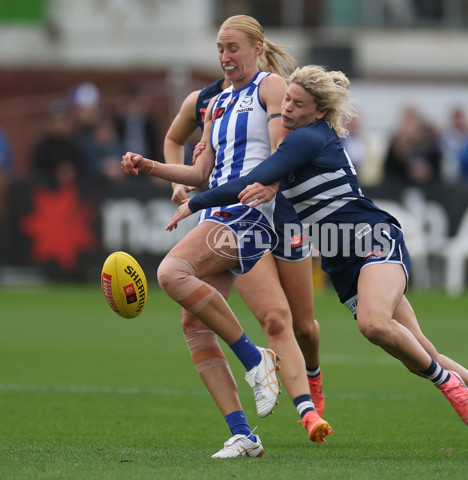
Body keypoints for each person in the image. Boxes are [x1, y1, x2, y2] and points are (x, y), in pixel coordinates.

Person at [123, 65, 468, 460]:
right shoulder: (294, 144)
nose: (288, 110)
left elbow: (254, 176)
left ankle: (446, 386)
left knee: (374, 325)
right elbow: (263, 173)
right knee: (421, 353)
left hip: (371, 239)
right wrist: (212, 148)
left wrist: (196, 201)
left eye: (297, 104)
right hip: (341, 261)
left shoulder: (308, 137)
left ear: (318, 112)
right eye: (287, 103)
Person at [124, 15, 331, 458]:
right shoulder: (215, 103)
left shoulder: (270, 87)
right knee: (193, 322)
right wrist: (152, 167)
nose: (224, 56)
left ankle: (255, 359)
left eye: (233, 47)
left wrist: (271, 184)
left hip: (248, 214)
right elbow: (201, 173)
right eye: (219, 48)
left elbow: (280, 152)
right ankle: (243, 434)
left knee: (170, 272)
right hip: (217, 213)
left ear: (257, 48)